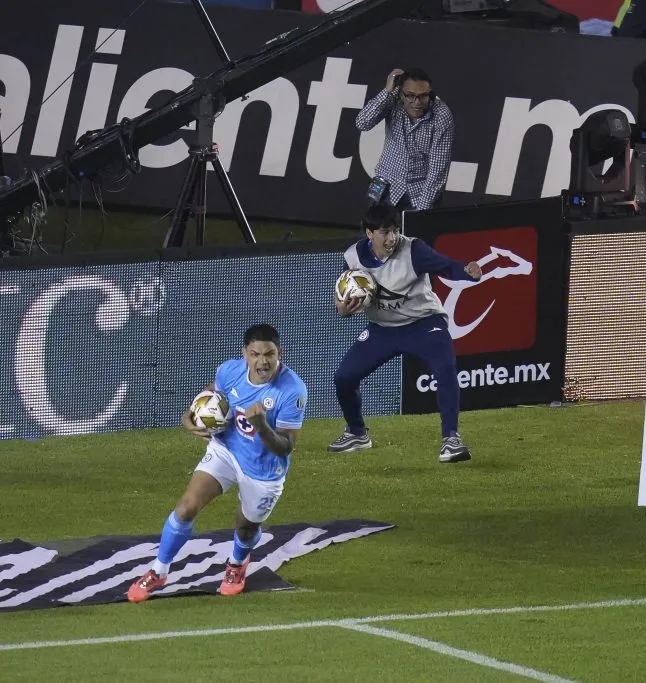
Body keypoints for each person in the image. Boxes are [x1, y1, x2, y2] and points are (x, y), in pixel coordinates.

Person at [127, 324, 308, 603]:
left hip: (263, 469)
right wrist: (189, 414)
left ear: (279, 353)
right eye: (255, 354)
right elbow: (212, 392)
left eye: (269, 354)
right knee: (186, 508)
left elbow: (286, 446)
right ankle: (158, 570)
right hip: (226, 449)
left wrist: (261, 426)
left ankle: (237, 563)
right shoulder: (229, 371)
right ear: (245, 355)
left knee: (245, 527)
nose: (263, 361)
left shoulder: (292, 390)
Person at [329, 204, 482, 463]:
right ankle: (357, 433)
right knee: (344, 377)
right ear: (370, 233)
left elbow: (446, 267)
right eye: (385, 232)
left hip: (424, 323)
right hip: (383, 330)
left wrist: (467, 272)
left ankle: (451, 440)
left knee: (445, 368)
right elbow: (343, 292)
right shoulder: (352, 256)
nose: (392, 238)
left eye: (395, 230)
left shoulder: (413, 250)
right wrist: (342, 309)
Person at [355, 67, 453, 212]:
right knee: (372, 234)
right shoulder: (392, 100)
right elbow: (362, 123)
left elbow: (438, 169)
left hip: (420, 192)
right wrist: (387, 91)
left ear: (430, 94)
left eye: (423, 96)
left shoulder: (441, 115)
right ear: (401, 94)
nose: (417, 102)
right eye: (410, 95)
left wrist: (421, 211)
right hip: (385, 184)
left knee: (416, 234)